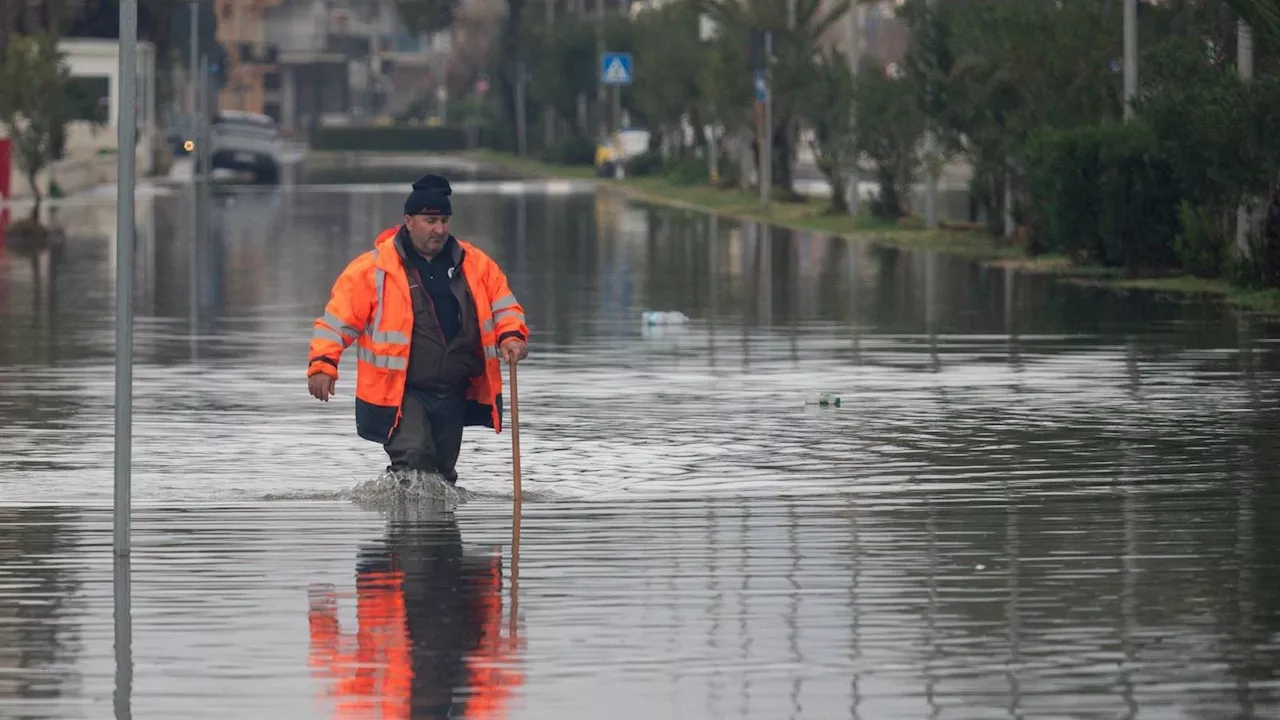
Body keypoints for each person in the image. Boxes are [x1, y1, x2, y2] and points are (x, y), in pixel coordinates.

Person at [306, 173, 529, 484]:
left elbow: (504, 306)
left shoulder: (476, 264)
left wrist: (512, 336)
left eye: (444, 220)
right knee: (413, 460)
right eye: (431, 220)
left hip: (454, 389)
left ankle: (434, 530)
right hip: (401, 391)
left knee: (443, 476)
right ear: (408, 221)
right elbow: (337, 320)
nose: (439, 229)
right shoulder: (373, 268)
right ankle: (406, 526)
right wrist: (323, 364)